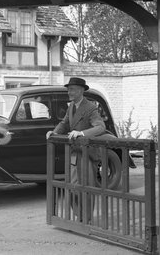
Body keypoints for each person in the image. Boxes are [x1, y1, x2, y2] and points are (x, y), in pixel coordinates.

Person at [46, 77, 105, 221]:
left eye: (71, 89)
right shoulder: (71, 106)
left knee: (86, 187)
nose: (69, 92)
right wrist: (54, 132)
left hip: (87, 153)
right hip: (74, 153)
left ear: (80, 90)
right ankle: (79, 216)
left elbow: (100, 127)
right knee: (72, 187)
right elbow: (64, 122)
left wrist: (82, 133)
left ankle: (86, 218)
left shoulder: (90, 107)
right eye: (68, 89)